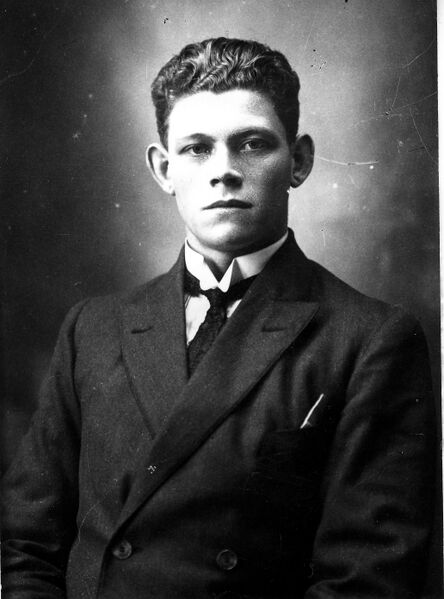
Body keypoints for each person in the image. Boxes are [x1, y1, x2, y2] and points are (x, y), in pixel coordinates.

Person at [2, 37, 436, 599]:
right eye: (197, 149)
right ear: (163, 168)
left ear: (299, 160)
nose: (224, 171)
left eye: (252, 144)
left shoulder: (369, 339)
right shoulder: (92, 329)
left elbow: (366, 579)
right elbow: (25, 544)